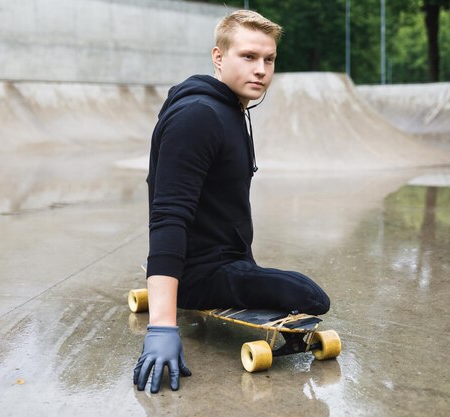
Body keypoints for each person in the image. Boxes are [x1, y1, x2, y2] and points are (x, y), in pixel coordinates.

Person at [133, 10, 330, 394]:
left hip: (228, 258)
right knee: (311, 296)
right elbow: (168, 217)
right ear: (218, 57)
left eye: (268, 60)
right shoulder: (198, 117)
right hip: (200, 274)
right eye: (248, 57)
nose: (260, 70)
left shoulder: (231, 109)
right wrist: (161, 326)